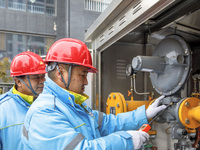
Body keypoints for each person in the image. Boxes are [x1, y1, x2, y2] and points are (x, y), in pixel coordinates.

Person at [21, 38, 167, 150]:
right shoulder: (45, 112)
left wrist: (145, 114)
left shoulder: (72, 105)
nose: (86, 82)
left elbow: (108, 123)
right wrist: (128, 140)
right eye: (82, 74)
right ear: (61, 71)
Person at [0, 51, 46, 150]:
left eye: (43, 76)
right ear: (18, 81)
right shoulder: (2, 111)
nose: (42, 81)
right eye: (36, 77)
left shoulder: (50, 105)